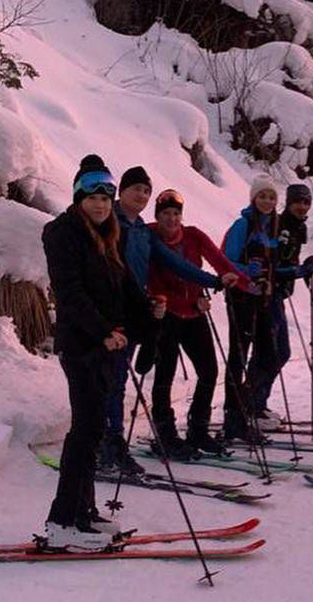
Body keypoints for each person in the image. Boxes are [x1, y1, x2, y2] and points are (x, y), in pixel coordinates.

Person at [41, 156, 149, 548]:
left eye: (106, 196)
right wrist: (103, 331)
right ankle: (62, 521)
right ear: (77, 196)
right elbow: (70, 293)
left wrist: (149, 320)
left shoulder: (108, 235)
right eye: (92, 195)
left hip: (104, 347)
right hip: (81, 347)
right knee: (84, 432)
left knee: (93, 430)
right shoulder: (62, 233)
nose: (101, 203)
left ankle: (83, 514)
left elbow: (126, 286)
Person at [100, 165, 233, 473]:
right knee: (113, 380)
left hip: (135, 313)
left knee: (117, 381)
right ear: (122, 191)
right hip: (118, 313)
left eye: (146, 191)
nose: (142, 195)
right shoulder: (110, 224)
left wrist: (213, 282)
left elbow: (176, 263)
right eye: (137, 189)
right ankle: (109, 444)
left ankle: (111, 444)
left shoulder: (140, 232)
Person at [146, 188, 252, 457]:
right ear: (157, 216)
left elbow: (220, 261)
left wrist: (245, 283)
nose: (172, 219)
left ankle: (198, 430)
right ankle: (165, 434)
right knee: (164, 375)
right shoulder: (147, 237)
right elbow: (152, 284)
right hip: (165, 316)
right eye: (166, 214)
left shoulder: (193, 235)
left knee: (209, 371)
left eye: (176, 214)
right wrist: (194, 300)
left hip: (194, 315)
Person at [220, 175, 288, 442]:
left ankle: (244, 406)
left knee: (268, 355)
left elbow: (272, 265)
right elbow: (225, 260)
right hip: (240, 298)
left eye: (271, 197)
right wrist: (246, 272)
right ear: (253, 198)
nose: (268, 201)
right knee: (238, 357)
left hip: (262, 300)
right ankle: (233, 419)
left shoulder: (273, 228)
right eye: (263, 196)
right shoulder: (243, 225)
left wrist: (291, 271)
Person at [253, 182, 313, 427]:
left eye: (306, 202)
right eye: (297, 202)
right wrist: (298, 271)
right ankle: (252, 407)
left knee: (278, 352)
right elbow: (272, 267)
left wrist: (302, 268)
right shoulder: (281, 227)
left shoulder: (298, 227)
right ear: (288, 203)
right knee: (270, 352)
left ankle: (258, 404)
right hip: (266, 295)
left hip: (278, 296)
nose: (302, 207)